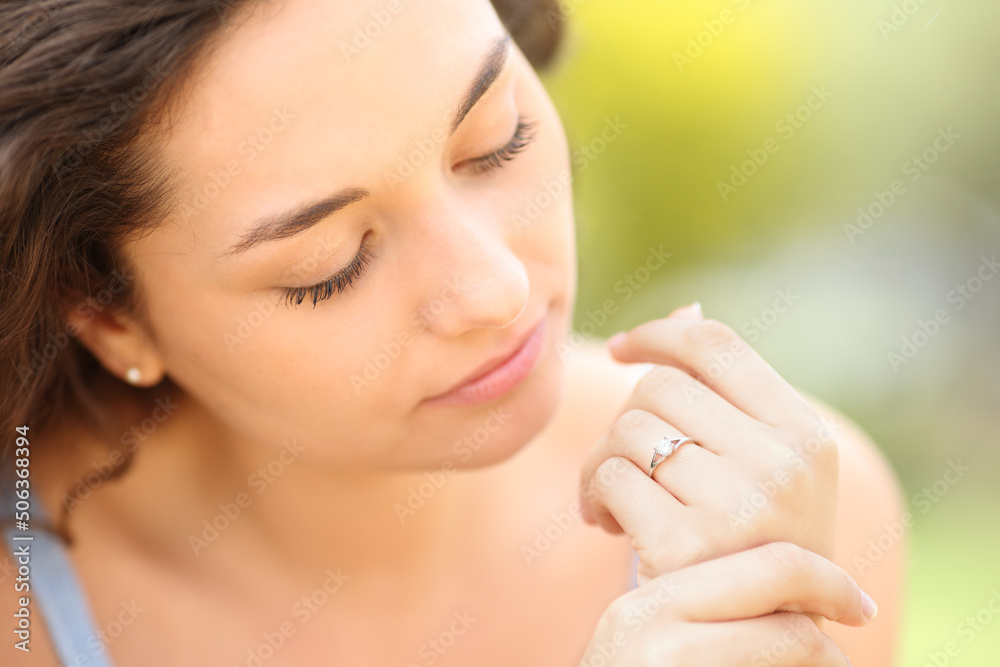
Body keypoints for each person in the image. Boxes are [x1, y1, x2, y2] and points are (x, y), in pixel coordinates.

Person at [0, 1, 905, 665]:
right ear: (107, 311)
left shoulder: (783, 516)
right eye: (331, 263)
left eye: (496, 139)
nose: (496, 290)